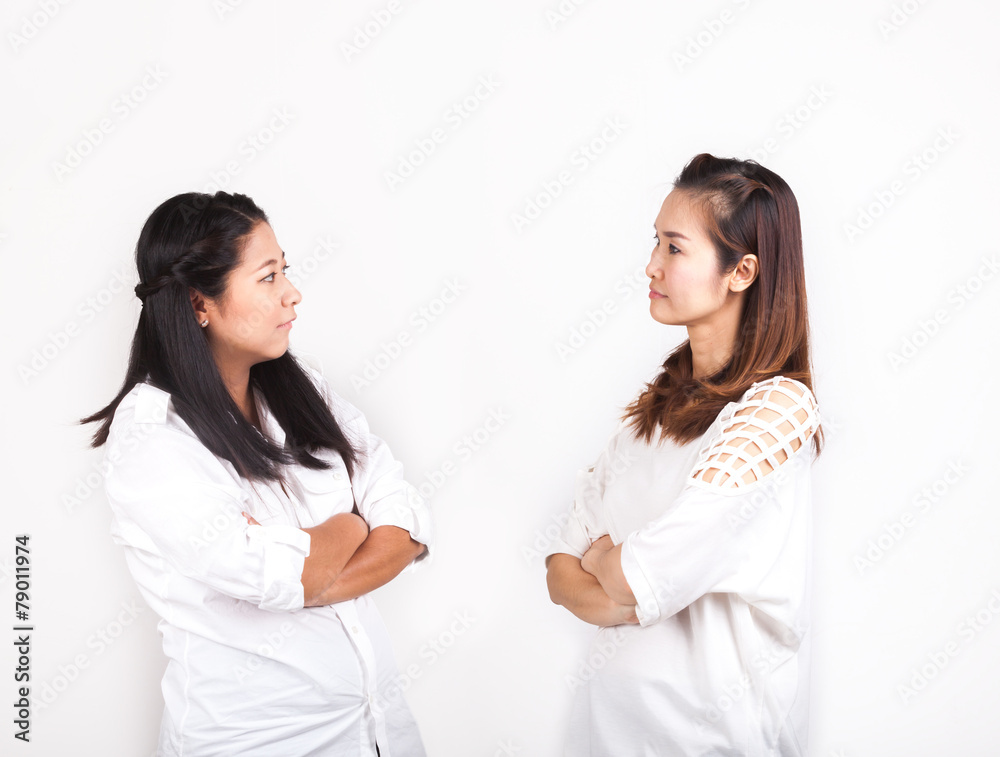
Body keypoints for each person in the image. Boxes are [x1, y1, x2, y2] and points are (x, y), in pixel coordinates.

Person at [79, 191, 432, 756]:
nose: (292, 292)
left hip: (377, 729)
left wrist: (311, 563)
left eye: (285, 270)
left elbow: (404, 516)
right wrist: (353, 524)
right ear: (199, 303)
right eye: (268, 277)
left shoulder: (300, 387)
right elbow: (277, 574)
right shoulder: (153, 438)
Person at [544, 153, 826, 756]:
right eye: (656, 242)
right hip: (605, 737)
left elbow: (637, 575)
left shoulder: (776, 412)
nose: (652, 264)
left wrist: (609, 563)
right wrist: (621, 580)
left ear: (741, 271)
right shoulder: (651, 413)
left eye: (674, 248)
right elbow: (559, 572)